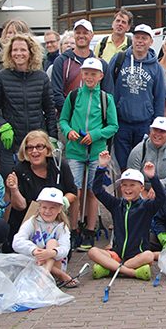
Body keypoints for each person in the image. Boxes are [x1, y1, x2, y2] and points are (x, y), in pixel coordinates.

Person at [58, 57, 119, 252]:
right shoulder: (73, 96)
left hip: (96, 151)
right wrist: (68, 132)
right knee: (75, 191)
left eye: (93, 74)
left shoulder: (106, 98)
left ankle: (90, 231)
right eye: (86, 73)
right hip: (75, 150)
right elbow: (63, 120)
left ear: (101, 76)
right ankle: (74, 229)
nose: (89, 77)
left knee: (94, 191)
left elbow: (113, 126)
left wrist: (95, 135)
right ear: (81, 75)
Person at [0, 34, 58, 178]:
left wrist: (52, 138)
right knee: (11, 182)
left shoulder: (41, 77)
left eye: (23, 50)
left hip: (36, 142)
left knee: (36, 183)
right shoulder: (1, 77)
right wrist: (2, 126)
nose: (19, 53)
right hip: (10, 141)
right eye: (15, 50)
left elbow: (50, 110)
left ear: (31, 52)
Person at [89, 151, 163, 281]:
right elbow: (97, 191)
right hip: (117, 255)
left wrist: (153, 178)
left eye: (132, 185)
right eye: (124, 185)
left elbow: (162, 198)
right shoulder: (116, 205)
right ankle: (130, 272)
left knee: (149, 256)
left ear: (141, 188)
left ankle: (111, 269)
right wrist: (101, 168)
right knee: (93, 251)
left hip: (137, 256)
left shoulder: (146, 207)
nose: (127, 189)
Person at [4, 131, 78, 252]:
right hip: (28, 223)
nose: (34, 151)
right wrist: (14, 189)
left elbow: (72, 192)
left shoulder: (59, 165)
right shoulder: (19, 169)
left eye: (39, 147)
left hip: (53, 221)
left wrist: (59, 203)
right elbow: (20, 206)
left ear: (48, 149)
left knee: (54, 250)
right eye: (30, 148)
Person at [107, 24, 166, 171]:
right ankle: (122, 194)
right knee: (122, 165)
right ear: (132, 39)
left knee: (140, 164)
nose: (140, 41)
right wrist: (110, 118)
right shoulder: (119, 59)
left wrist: (157, 126)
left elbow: (159, 98)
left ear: (151, 42)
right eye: (137, 37)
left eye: (144, 38)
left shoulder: (156, 67)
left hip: (144, 123)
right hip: (121, 123)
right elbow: (109, 89)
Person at [12, 187, 76, 287]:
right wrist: (34, 250)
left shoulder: (62, 226)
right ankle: (60, 275)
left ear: (59, 209)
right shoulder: (33, 221)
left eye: (52, 208)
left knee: (52, 242)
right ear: (39, 207)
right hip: (36, 261)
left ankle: (44, 277)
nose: (47, 211)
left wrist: (51, 252)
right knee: (40, 252)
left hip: (55, 263)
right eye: (44, 207)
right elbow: (17, 241)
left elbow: (65, 248)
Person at [50, 19, 111, 113]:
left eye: (85, 33)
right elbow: (56, 93)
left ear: (91, 35)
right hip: (68, 120)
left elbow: (108, 95)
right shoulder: (61, 61)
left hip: (94, 121)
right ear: (74, 35)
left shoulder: (101, 64)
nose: (81, 36)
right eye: (78, 32)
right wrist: (71, 114)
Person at [126, 117, 166, 183]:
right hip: (143, 189)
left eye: (162, 131)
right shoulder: (137, 151)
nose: (158, 134)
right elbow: (132, 179)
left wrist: (158, 186)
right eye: (155, 130)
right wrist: (142, 191)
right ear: (150, 131)